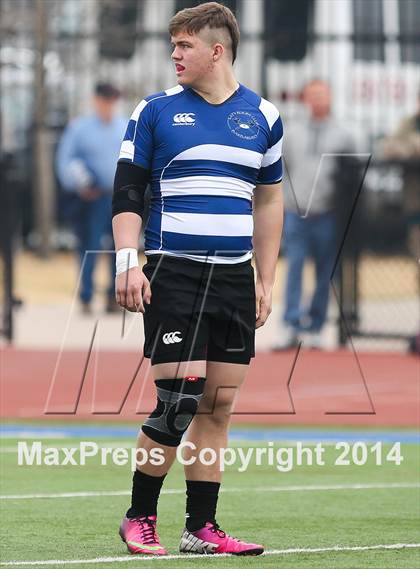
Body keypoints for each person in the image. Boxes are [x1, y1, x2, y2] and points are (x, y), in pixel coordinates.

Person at [112, 2, 283, 556]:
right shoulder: (155, 111)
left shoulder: (264, 116)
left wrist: (265, 277)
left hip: (234, 276)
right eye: (173, 45)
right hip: (173, 271)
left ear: (217, 50)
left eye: (184, 45)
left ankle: (200, 528)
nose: (174, 54)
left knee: (218, 407)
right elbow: (127, 192)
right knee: (177, 402)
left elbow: (270, 200)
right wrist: (126, 261)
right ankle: (139, 518)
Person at [273, 79, 355, 350]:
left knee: (324, 272)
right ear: (306, 98)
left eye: (322, 95)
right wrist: (285, 201)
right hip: (297, 214)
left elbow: (349, 176)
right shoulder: (293, 132)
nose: (317, 100)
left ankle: (317, 325)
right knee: (294, 267)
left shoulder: (343, 135)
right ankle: (291, 325)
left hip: (328, 213)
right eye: (313, 95)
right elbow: (281, 170)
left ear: (330, 97)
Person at [56, 83, 127, 313]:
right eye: (106, 100)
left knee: (121, 247)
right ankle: (86, 295)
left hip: (119, 197)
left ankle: (113, 297)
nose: (109, 105)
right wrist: (79, 184)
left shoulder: (124, 126)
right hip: (92, 198)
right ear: (96, 100)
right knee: (90, 245)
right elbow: (65, 160)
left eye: (113, 100)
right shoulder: (80, 128)